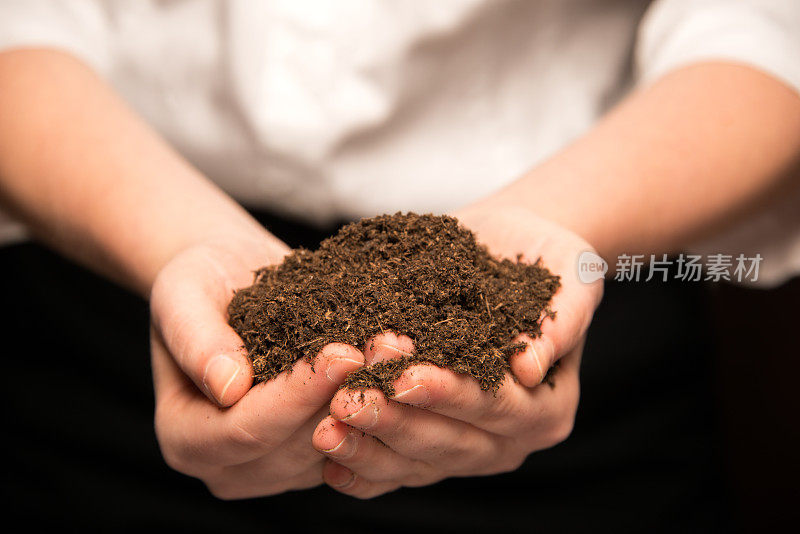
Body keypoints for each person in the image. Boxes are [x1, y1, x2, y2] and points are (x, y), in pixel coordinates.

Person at [1, 0, 798, 529]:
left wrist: (558, 223)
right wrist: (176, 241)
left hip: (586, 255)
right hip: (115, 263)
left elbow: (765, 29)